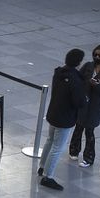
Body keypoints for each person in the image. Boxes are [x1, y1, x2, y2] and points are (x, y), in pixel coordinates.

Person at [36, 49, 86, 190]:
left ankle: (42, 167)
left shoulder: (58, 73)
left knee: (50, 140)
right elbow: (78, 101)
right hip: (65, 118)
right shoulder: (75, 79)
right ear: (79, 62)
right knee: (57, 148)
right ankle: (48, 176)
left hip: (54, 113)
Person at [68, 45, 100, 167]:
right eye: (95, 54)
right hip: (84, 101)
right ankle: (74, 150)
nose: (97, 57)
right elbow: (78, 78)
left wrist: (97, 86)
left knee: (89, 130)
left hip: (96, 106)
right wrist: (86, 83)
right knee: (78, 126)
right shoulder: (88, 66)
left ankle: (88, 158)